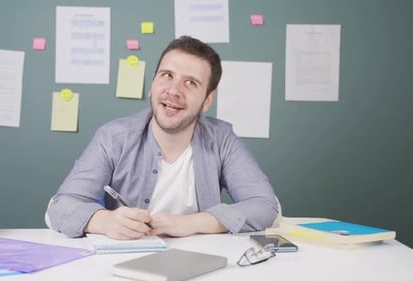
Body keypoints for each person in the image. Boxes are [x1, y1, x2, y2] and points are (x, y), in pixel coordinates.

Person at [45, 36, 279, 240]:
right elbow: (58, 208)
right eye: (167, 75)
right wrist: (105, 221)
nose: (174, 91)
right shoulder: (113, 137)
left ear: (208, 100)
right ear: (152, 84)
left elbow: (266, 206)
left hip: (203, 265)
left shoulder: (222, 139)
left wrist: (192, 223)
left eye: (190, 83)